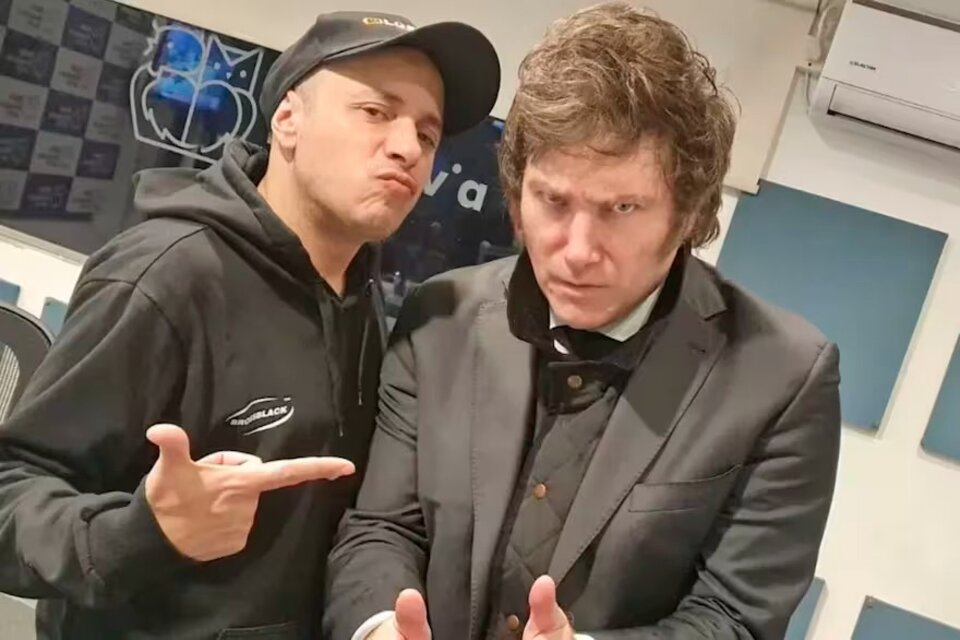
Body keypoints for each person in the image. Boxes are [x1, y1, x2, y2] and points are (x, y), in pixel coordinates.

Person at [323, 3, 841, 640]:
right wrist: (380, 627)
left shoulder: (782, 378)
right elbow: (381, 528)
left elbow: (735, 619)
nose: (576, 250)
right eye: (553, 200)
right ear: (518, 192)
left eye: (622, 208)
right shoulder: (441, 316)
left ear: (687, 213)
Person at [0, 10, 499, 640]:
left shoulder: (360, 296)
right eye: (376, 111)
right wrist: (136, 534)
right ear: (288, 119)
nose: (407, 148)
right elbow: (11, 493)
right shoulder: (165, 278)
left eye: (427, 135)